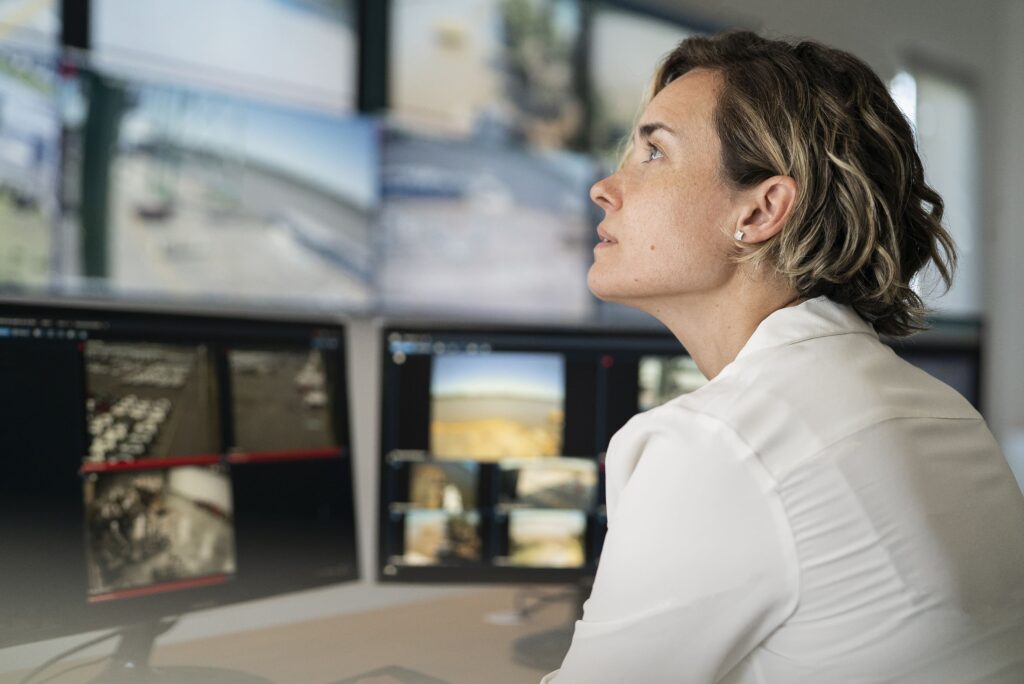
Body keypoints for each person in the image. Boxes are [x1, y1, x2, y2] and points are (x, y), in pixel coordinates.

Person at [542, 30, 1024, 683]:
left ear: (763, 208)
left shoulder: (725, 443)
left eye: (653, 151)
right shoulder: (944, 411)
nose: (605, 185)